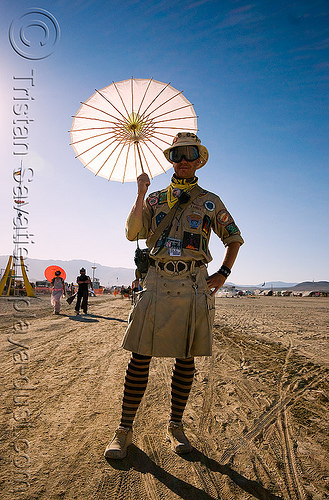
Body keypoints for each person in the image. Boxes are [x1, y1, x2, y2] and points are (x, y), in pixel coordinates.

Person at [104, 132, 244, 459]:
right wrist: (140, 192)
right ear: (171, 160)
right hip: (156, 280)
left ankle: (175, 426)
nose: (182, 159)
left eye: (189, 153)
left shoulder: (210, 201)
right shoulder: (153, 199)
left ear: (198, 159)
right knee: (139, 355)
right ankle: (124, 429)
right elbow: (132, 233)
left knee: (185, 357)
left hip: (193, 284)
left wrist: (222, 274)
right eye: (176, 154)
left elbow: (234, 238)